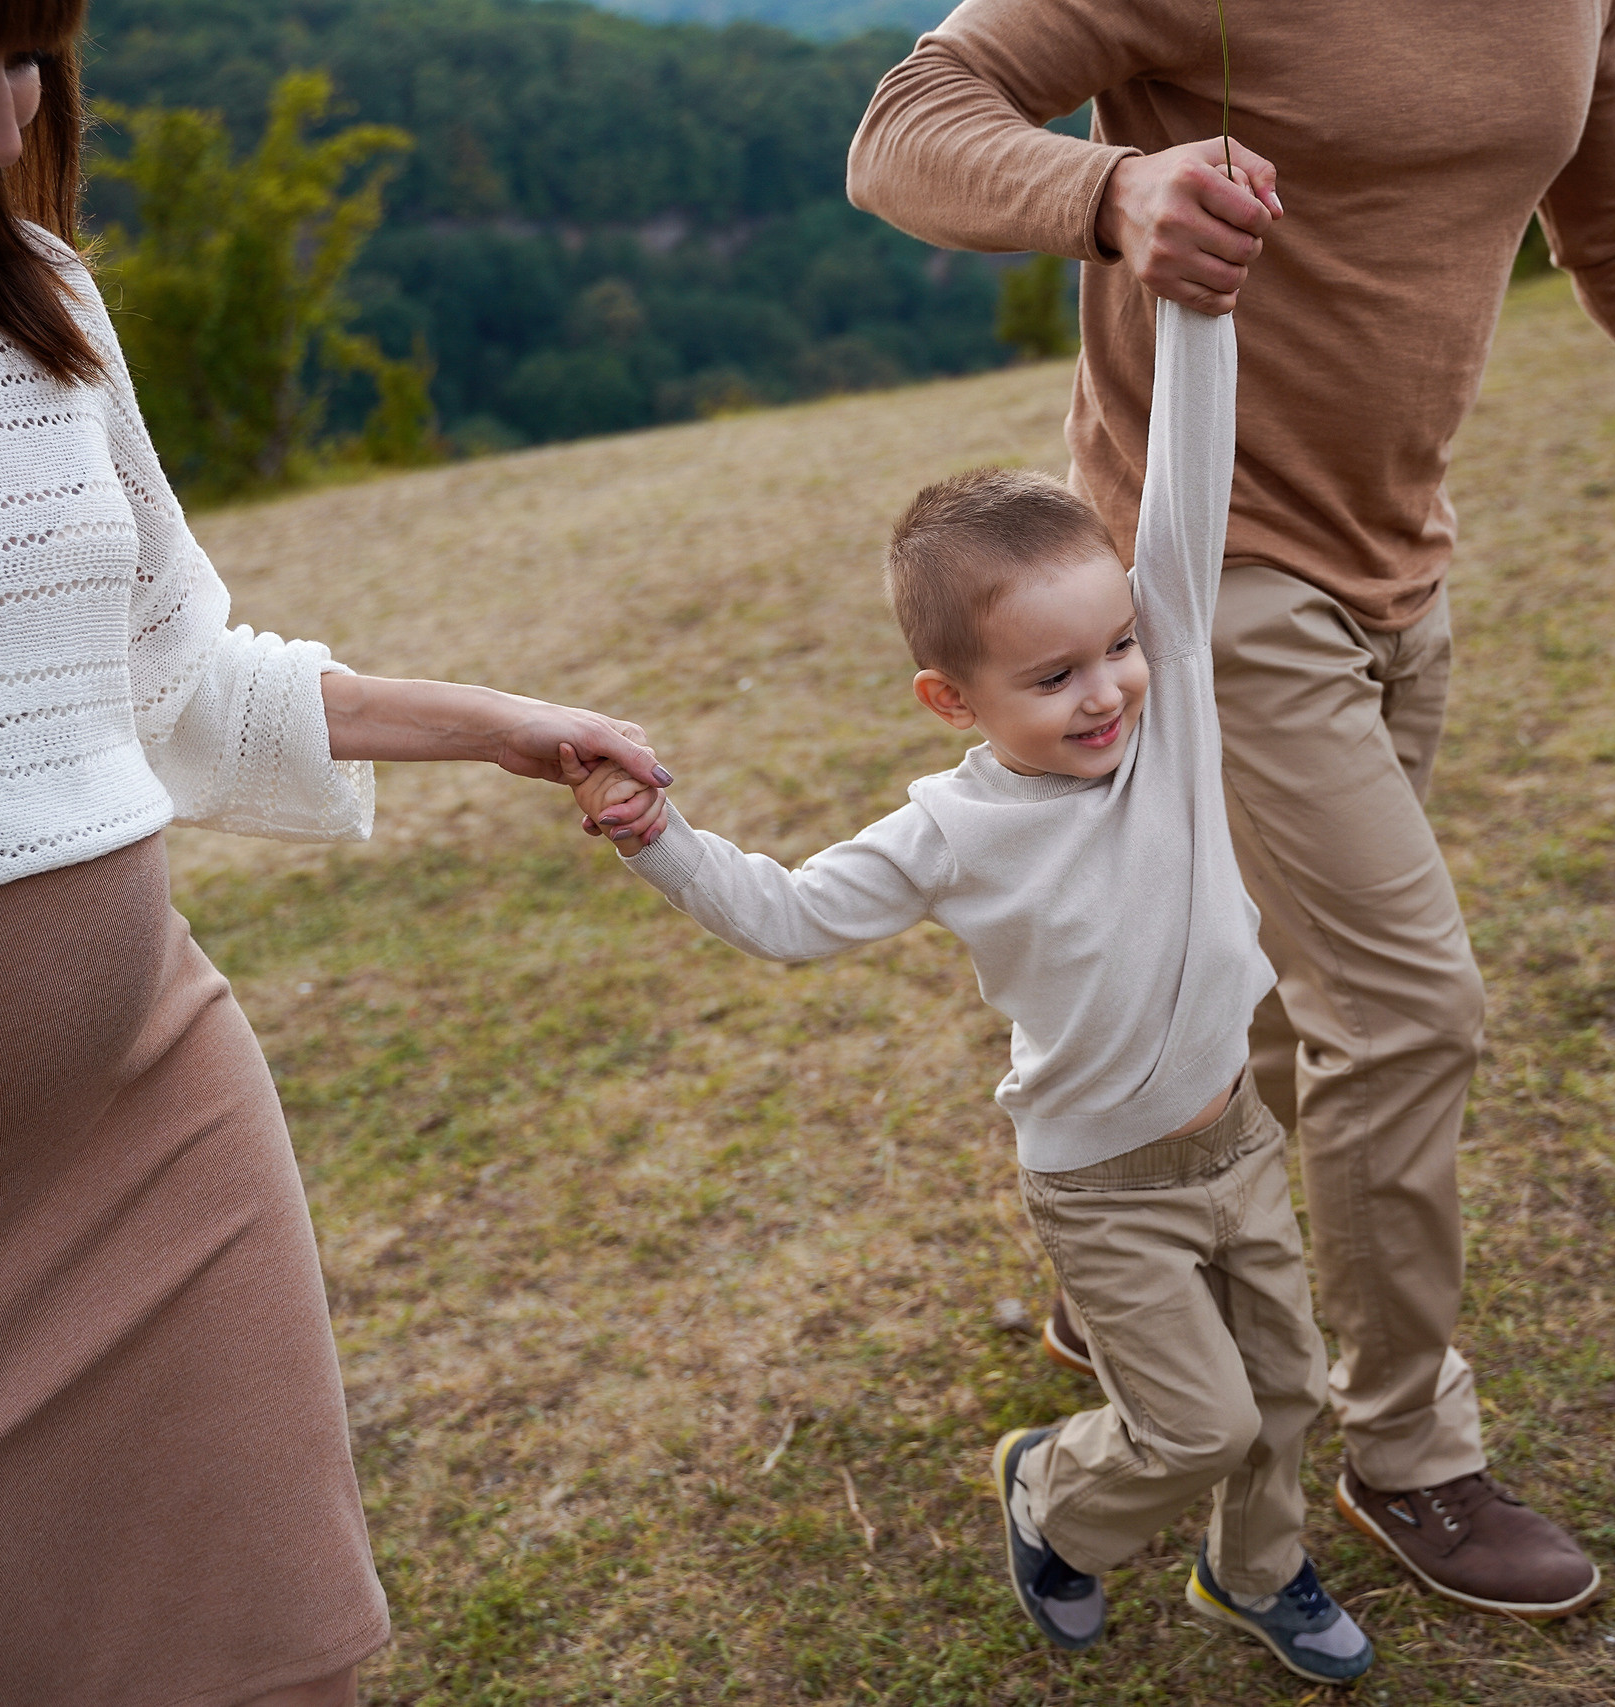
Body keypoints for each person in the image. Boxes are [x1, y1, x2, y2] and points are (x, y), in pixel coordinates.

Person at [846, 0, 1615, 1620]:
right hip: (1210, 583)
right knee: (1406, 1012)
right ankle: (1407, 1449)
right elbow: (905, 126)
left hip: (1400, 562)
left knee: (1268, 989)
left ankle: (1145, 1282)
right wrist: (1111, 191)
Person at [0, 3, 667, 1703]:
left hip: (157, 1113)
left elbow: (174, 672)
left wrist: (502, 727)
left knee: (296, 1670)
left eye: (25, 53)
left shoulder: (41, 303)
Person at [572, 295, 1372, 1684]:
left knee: (1287, 1393)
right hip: (1106, 1184)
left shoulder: (1166, 712)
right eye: (1053, 676)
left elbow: (1191, 470)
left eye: (1117, 647)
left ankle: (1261, 1572)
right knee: (1199, 1426)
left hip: (1237, 1136)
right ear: (952, 701)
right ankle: (1051, 1495)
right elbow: (790, 917)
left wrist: (1199, 303)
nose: (1108, 692)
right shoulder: (951, 833)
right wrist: (665, 844)